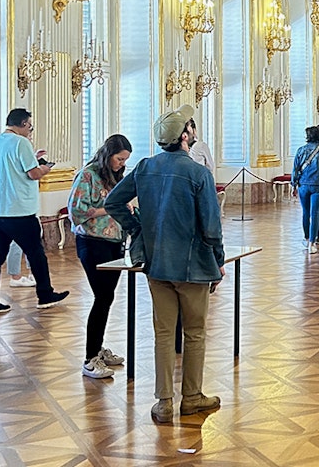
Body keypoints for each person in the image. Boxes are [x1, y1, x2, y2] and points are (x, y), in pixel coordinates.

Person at [105, 106, 224, 424]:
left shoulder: (144, 167)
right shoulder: (199, 173)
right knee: (195, 332)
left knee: (163, 333)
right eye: (190, 126)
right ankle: (192, 397)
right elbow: (211, 227)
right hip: (194, 266)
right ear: (185, 136)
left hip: (157, 263)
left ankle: (163, 401)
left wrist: (137, 229)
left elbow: (113, 202)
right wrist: (219, 260)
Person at [0, 109, 68, 316]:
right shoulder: (21, 143)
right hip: (19, 209)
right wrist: (45, 168)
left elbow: (5, 168)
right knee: (36, 253)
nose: (30, 130)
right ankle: (45, 295)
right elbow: (33, 173)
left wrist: (32, 159)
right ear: (24, 124)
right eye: (30, 126)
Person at [68, 134, 133, 380]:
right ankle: (89, 358)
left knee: (107, 298)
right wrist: (112, 207)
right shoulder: (88, 174)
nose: (122, 164)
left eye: (125, 160)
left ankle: (98, 348)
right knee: (102, 297)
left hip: (114, 242)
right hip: (93, 243)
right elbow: (77, 210)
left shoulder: (116, 175)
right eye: (119, 159)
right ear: (109, 155)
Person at [292, 125, 319, 254]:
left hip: (303, 184)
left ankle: (307, 238)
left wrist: (294, 184)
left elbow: (295, 168)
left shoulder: (300, 150)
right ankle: (312, 243)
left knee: (305, 213)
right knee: (316, 214)